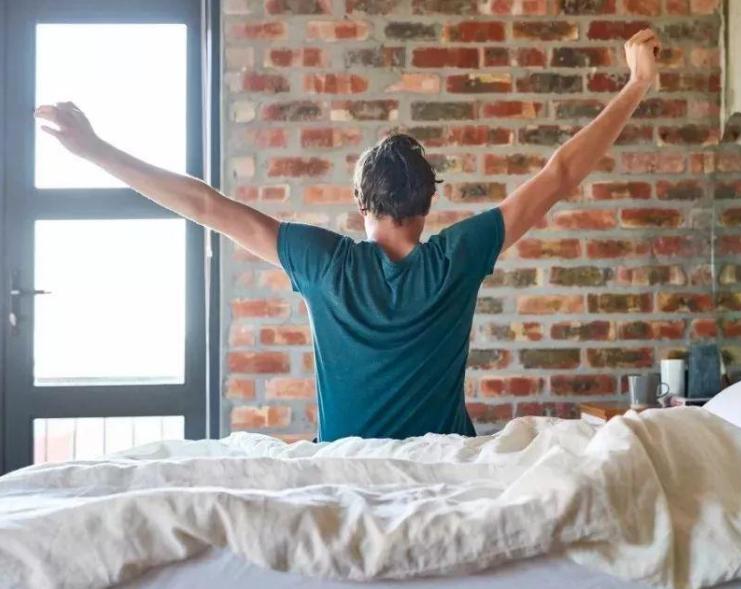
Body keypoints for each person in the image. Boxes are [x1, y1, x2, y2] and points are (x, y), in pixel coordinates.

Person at [35, 29, 662, 442]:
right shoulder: (458, 257)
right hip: (447, 464)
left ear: (361, 203)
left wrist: (95, 150)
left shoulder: (322, 261)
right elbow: (559, 174)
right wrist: (636, 85)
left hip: (344, 463)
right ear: (429, 202)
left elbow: (204, 203)